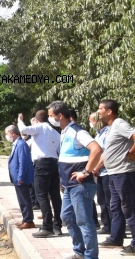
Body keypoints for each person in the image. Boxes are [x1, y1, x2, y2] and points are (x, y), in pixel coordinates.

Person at [48, 100, 102, 259]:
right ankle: (79, 251)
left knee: (84, 221)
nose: (50, 119)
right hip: (68, 186)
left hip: (80, 185)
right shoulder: (64, 132)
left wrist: (86, 172)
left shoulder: (78, 131)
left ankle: (91, 256)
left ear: (60, 116)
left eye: (51, 116)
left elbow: (97, 149)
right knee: (67, 217)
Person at [96, 99, 135, 255]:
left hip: (123, 172)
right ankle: (116, 237)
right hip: (113, 173)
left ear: (109, 111)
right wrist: (96, 168)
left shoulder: (119, 124)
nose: (98, 112)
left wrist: (131, 153)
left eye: (100, 109)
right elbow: (109, 152)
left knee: (130, 208)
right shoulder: (111, 128)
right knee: (116, 207)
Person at [18, 110, 63, 237]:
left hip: (42, 164)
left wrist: (20, 119)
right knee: (55, 196)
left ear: (36, 120)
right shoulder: (55, 132)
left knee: (41, 195)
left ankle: (47, 226)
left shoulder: (39, 127)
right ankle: (57, 226)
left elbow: (24, 129)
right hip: (54, 163)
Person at [89, 111, 117, 238]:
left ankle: (113, 228)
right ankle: (107, 225)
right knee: (101, 200)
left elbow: (105, 154)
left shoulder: (107, 134)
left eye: (93, 120)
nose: (92, 123)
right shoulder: (98, 135)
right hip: (100, 172)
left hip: (106, 171)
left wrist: (97, 167)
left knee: (109, 201)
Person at [6, 125, 35, 229]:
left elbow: (23, 162)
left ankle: (29, 221)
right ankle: (25, 218)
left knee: (25, 199)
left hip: (21, 178)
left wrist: (21, 177)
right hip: (17, 178)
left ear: (12, 133)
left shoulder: (21, 144)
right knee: (21, 200)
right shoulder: (16, 144)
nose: (7, 136)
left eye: (7, 133)